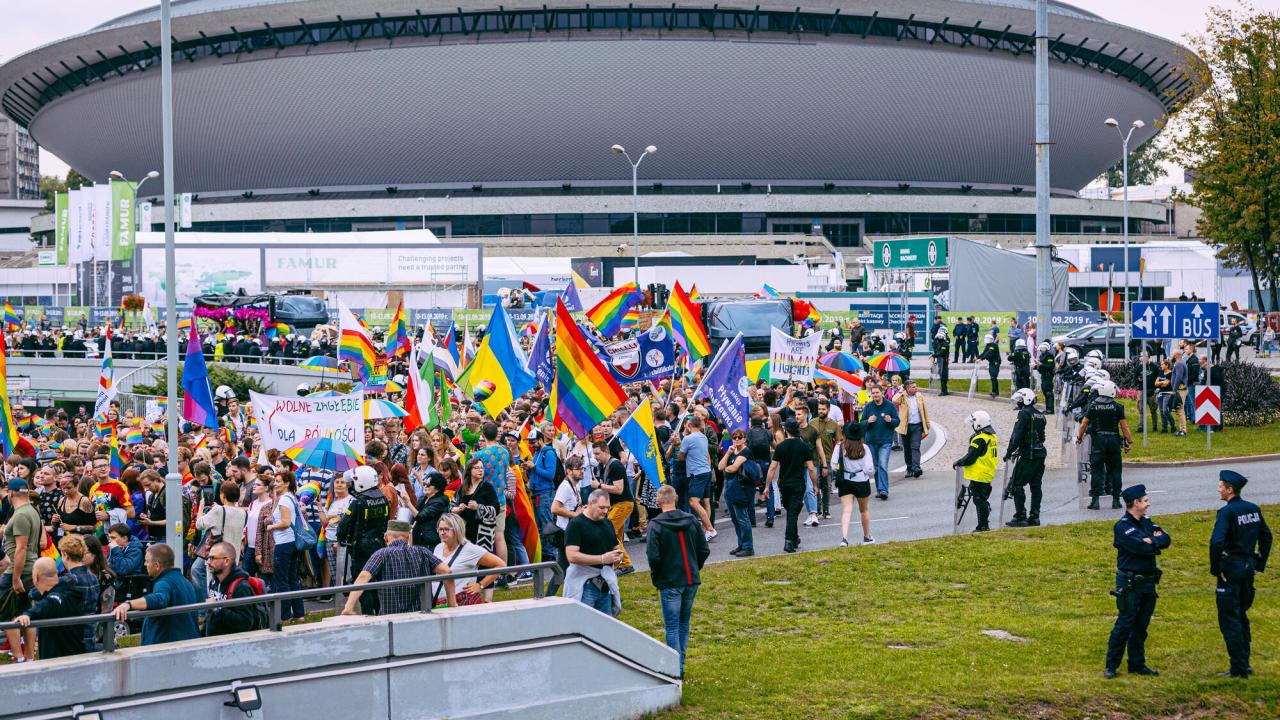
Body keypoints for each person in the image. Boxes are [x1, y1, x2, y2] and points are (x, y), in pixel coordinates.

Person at [1210, 470, 1272, 678]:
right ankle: (1245, 662)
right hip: (1247, 568)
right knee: (1241, 615)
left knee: (1229, 619)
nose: (1218, 489)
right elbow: (1266, 537)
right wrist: (1259, 564)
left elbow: (1216, 542)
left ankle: (1238, 667)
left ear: (1230, 490)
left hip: (1231, 570)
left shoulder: (1226, 512)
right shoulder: (1253, 509)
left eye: (1221, 486)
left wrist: (1216, 569)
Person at [1104, 484, 1169, 679]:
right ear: (1136, 503)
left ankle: (1137, 664)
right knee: (1125, 624)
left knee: (1141, 626)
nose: (1149, 504)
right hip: (1130, 584)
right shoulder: (1123, 526)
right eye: (1145, 501)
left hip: (1148, 582)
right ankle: (1111, 666)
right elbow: (1141, 548)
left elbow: (1166, 539)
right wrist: (1151, 542)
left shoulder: (1146, 523)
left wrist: (1151, 541)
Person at [647, 484, 710, 676]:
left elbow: (653, 556)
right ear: (675, 498)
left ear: (658, 501)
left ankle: (676, 667)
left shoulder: (656, 525)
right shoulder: (691, 520)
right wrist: (694, 567)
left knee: (672, 625)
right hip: (690, 578)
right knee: (684, 621)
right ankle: (680, 663)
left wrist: (657, 577)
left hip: (670, 580)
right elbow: (704, 549)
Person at [341, 520, 456, 615]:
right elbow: (447, 571)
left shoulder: (381, 554)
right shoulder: (423, 552)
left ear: (386, 537)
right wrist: (452, 604)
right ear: (408, 537)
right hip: (419, 615)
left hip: (390, 618)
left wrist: (348, 607)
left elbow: (364, 576)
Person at [14, 536, 98, 660]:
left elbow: (40, 596)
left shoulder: (68, 580)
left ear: (65, 555)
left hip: (73, 639)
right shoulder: (93, 577)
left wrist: (29, 612)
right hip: (90, 635)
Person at [112, 543, 200, 645]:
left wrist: (128, 604)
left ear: (157, 565)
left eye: (147, 561)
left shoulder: (164, 582)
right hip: (186, 644)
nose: (145, 564)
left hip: (168, 648)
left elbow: (159, 599)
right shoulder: (185, 581)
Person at [337, 465, 392, 615]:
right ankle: (380, 612)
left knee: (361, 581)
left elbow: (343, 526)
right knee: (378, 582)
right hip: (379, 545)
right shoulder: (383, 499)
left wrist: (341, 539)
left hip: (361, 548)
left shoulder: (358, 502)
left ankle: (368, 614)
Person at [563, 489, 624, 616]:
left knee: (606, 623)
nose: (605, 511)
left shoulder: (607, 523)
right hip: (585, 585)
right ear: (590, 503)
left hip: (605, 583)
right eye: (601, 507)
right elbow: (571, 556)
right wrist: (602, 559)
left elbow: (616, 548)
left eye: (607, 507)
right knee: (583, 622)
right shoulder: (576, 524)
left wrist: (619, 556)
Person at [1, 478, 41, 662]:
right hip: (27, 568)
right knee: (25, 613)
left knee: (6, 613)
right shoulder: (30, 510)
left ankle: (19, 656)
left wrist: (15, 577)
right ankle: (29, 657)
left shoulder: (21, 515)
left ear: (10, 493)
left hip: (18, 570)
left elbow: (21, 548)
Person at [1077, 381, 1132, 510]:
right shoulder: (1118, 407)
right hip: (1113, 441)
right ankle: (1116, 500)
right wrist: (1129, 442)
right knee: (1115, 471)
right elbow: (1124, 427)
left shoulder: (1093, 406)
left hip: (1098, 441)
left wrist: (1079, 437)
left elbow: (1084, 424)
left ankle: (1095, 501)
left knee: (1096, 471)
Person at [432, 512, 506, 606]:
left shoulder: (470, 549)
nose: (442, 532)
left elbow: (501, 565)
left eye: (446, 529)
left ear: (457, 529)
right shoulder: (438, 547)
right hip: (439, 603)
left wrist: (480, 585)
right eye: (440, 529)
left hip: (464, 602)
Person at [767, 420, 817, 553]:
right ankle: (789, 540)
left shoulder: (781, 447)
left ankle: (794, 538)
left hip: (784, 484)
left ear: (786, 430)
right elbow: (811, 468)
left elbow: (772, 467)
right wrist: (815, 485)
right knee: (793, 513)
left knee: (791, 512)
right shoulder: (804, 446)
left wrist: (767, 486)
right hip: (798, 484)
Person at [204, 542, 267, 636]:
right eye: (208, 558)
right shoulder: (214, 581)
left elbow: (245, 623)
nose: (208, 562)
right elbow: (210, 615)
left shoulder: (241, 587)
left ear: (227, 561)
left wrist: (218, 609)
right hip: (213, 640)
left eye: (212, 558)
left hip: (231, 642)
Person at [591, 441, 635, 575]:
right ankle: (618, 563)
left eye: (597, 453)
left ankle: (626, 564)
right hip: (615, 504)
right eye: (594, 454)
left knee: (608, 532)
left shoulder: (616, 465)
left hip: (623, 503)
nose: (595, 457)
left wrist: (599, 486)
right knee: (616, 536)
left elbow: (619, 489)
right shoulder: (602, 466)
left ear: (606, 451)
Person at [1005, 389, 1048, 527]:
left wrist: (1009, 452)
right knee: (1036, 486)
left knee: (1017, 484)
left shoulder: (1023, 413)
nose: (1018, 402)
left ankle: (1020, 516)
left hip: (1028, 455)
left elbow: (1016, 435)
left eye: (1020, 400)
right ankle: (1035, 516)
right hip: (1040, 455)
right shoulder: (1041, 415)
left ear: (1026, 400)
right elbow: (1042, 437)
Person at [830, 423, 875, 546]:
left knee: (846, 511)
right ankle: (867, 537)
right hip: (861, 481)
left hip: (845, 481)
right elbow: (869, 469)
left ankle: (844, 539)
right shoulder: (864, 448)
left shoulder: (840, 447)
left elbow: (833, 465)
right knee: (864, 510)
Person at [953, 411, 998, 532]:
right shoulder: (991, 436)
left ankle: (983, 526)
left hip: (980, 474)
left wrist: (958, 462)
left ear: (979, 423)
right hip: (987, 473)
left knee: (979, 500)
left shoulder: (980, 439)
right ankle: (983, 522)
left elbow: (971, 457)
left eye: (973, 422)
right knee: (980, 499)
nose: (972, 425)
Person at [677, 415, 716, 541]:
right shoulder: (703, 437)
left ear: (689, 425)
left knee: (693, 501)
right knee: (706, 502)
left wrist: (680, 445)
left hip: (697, 473)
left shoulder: (688, 438)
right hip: (706, 471)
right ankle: (706, 531)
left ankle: (710, 529)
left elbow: (680, 457)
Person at [717, 429, 755, 557]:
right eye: (734, 437)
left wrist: (727, 469)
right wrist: (728, 452)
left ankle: (748, 547)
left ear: (745, 439)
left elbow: (733, 468)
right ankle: (741, 544)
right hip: (730, 488)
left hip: (741, 488)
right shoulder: (732, 451)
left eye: (740, 437)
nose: (737, 439)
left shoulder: (746, 452)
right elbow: (720, 467)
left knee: (743, 518)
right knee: (735, 519)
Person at [858, 385, 898, 500]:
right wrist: (868, 421)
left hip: (885, 441)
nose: (875, 395)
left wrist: (890, 420)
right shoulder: (868, 407)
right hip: (871, 442)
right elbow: (861, 424)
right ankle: (879, 489)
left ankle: (884, 490)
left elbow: (897, 421)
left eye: (877, 392)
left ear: (882, 393)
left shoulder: (889, 405)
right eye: (873, 393)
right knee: (876, 467)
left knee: (883, 465)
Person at [893, 381, 929, 479]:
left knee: (915, 447)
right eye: (913, 387)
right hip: (905, 426)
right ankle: (909, 468)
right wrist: (901, 391)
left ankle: (916, 468)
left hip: (917, 426)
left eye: (916, 386)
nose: (916, 388)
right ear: (907, 388)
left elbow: (924, 410)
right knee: (907, 449)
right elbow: (894, 400)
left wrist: (927, 424)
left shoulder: (919, 396)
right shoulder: (902, 396)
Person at [1035, 342, 1056, 413]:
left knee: (1048, 393)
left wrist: (1041, 364)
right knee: (1045, 392)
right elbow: (1041, 366)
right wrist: (1035, 366)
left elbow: (1050, 366)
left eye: (1042, 349)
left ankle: (1050, 409)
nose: (1041, 350)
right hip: (1043, 376)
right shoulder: (1042, 356)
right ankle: (1047, 408)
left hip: (1048, 376)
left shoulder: (1049, 356)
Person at [979, 333, 1002, 398]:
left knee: (993, 377)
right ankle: (995, 391)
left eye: (987, 338)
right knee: (992, 378)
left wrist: (981, 359)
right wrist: (978, 358)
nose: (986, 339)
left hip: (995, 363)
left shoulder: (994, 345)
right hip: (991, 363)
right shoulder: (988, 345)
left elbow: (988, 353)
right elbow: (984, 353)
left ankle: (995, 392)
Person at [933, 327, 951, 395]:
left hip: (944, 362)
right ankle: (944, 390)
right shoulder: (940, 343)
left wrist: (935, 355)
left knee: (943, 376)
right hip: (941, 361)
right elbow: (937, 350)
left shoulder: (945, 344)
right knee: (942, 376)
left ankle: (944, 391)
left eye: (940, 337)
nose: (938, 338)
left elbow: (941, 353)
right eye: (938, 337)